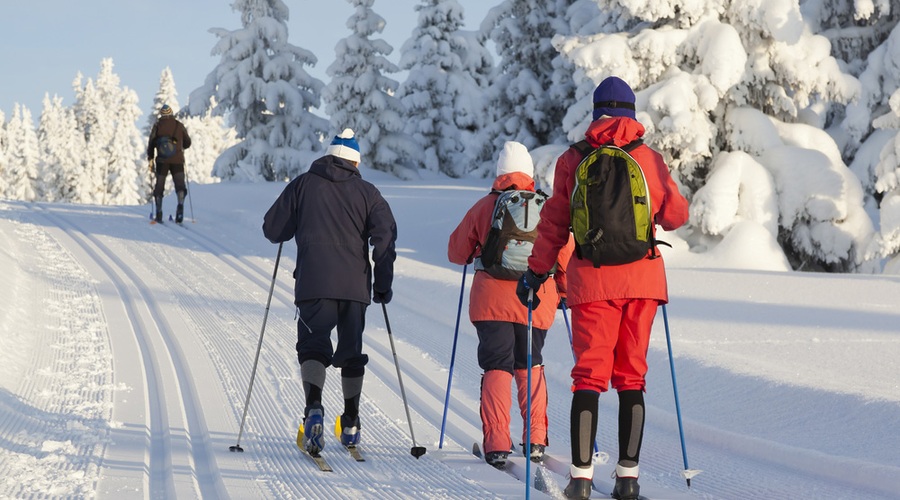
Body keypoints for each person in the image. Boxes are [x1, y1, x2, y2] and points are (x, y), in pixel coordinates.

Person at [516, 77, 689, 500]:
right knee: (632, 378)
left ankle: (580, 479)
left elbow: (554, 225)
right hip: (643, 282)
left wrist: (536, 273)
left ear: (595, 112)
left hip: (591, 281)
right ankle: (627, 478)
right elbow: (676, 216)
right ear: (631, 111)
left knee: (588, 379)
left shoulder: (573, 159)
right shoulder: (648, 158)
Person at [262, 128, 397, 455]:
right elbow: (386, 239)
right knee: (351, 351)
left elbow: (272, 229)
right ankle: (350, 422)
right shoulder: (369, 192)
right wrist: (382, 283)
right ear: (355, 161)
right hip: (354, 286)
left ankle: (314, 409)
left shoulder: (303, 184)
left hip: (313, 283)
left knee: (313, 346)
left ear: (330, 155)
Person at [448, 141, 573, 468]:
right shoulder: (547, 207)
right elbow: (566, 260)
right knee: (530, 364)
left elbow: (456, 252)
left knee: (497, 366)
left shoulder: (483, 206)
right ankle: (535, 440)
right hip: (536, 300)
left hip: (491, 302)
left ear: (500, 174)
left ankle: (497, 443)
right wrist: (564, 292)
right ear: (530, 175)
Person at [147, 104, 192, 223]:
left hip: (162, 161)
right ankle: (180, 206)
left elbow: (151, 143)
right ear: (171, 113)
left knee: (160, 186)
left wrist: (150, 158)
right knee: (180, 185)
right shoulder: (179, 125)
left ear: (161, 114)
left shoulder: (157, 126)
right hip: (177, 160)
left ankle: (159, 212)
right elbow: (187, 143)